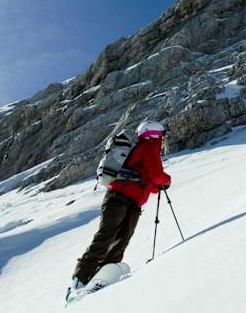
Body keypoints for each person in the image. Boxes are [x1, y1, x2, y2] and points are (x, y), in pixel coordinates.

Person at [68, 120, 171, 293]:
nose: (163, 141)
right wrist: (166, 181)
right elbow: (157, 175)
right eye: (161, 137)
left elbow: (149, 181)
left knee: (118, 240)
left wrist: (158, 185)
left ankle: (100, 276)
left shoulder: (144, 149)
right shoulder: (148, 146)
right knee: (109, 238)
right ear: (154, 135)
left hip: (128, 201)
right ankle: (80, 279)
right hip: (120, 198)